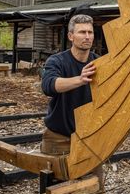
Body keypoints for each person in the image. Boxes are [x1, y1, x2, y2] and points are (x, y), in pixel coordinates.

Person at [41, 14, 98, 155]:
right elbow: (48, 85)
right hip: (59, 136)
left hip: (89, 137)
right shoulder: (57, 61)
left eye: (90, 32)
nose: (87, 36)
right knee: (56, 177)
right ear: (71, 36)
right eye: (82, 32)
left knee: (95, 177)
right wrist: (80, 79)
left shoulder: (100, 63)